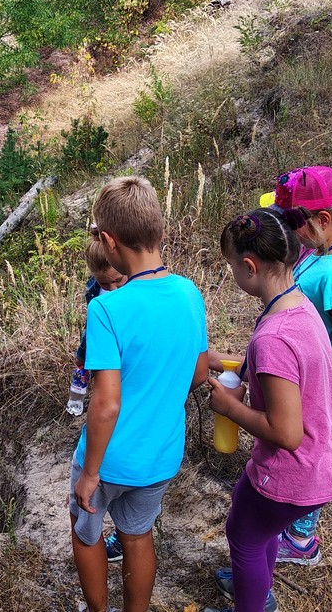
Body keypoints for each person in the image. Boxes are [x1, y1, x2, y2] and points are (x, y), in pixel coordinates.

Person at [204, 208, 332, 612]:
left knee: (243, 536)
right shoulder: (300, 307)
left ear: (250, 267)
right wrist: (227, 362)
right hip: (325, 458)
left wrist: (229, 407)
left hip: (295, 470)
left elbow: (286, 433)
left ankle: (252, 600)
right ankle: (258, 589)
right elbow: (288, 373)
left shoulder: (273, 337)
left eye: (232, 266)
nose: (233, 274)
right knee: (257, 528)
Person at [71, 176, 209, 612]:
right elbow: (199, 372)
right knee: (137, 536)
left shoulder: (106, 308)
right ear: (160, 231)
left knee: (86, 532)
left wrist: (90, 473)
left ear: (109, 242)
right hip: (160, 456)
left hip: (109, 457)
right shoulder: (189, 292)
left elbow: (106, 403)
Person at [263, 165, 332, 564]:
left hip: (313, 383)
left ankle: (301, 537)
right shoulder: (322, 253)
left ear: (323, 220)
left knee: (311, 450)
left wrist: (319, 387)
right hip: (302, 373)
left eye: (295, 223)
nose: (291, 231)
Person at [68, 236, 127, 416]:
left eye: (118, 280)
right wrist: (82, 355)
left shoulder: (137, 287)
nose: (113, 288)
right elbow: (91, 325)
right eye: (105, 283)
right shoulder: (94, 291)